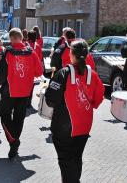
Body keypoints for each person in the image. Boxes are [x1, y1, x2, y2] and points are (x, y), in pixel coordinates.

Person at [46, 40, 105, 183]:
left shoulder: (64, 73)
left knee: (66, 160)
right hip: (84, 125)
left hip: (64, 126)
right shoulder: (93, 74)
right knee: (76, 157)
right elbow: (98, 99)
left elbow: (50, 100)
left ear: (71, 54)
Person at [0, 28, 43, 159]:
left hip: (9, 91)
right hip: (25, 91)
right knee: (19, 118)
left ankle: (13, 141)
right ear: (21, 38)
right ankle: (14, 143)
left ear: (11, 38)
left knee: (4, 114)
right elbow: (39, 72)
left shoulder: (7, 52)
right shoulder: (31, 52)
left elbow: (0, 72)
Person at [26, 30, 43, 108]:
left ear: (28, 37)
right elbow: (40, 58)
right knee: (31, 87)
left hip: (25, 69)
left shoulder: (25, 45)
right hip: (33, 70)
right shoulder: (38, 46)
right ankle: (29, 102)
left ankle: (24, 101)